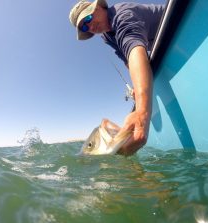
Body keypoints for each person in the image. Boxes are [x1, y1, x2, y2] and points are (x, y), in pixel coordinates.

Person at [69, 0, 165, 155]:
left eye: (88, 18)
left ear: (100, 6)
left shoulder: (122, 14)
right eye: (85, 27)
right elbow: (128, 60)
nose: (90, 26)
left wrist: (142, 113)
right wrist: (137, 85)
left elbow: (134, 51)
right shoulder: (107, 36)